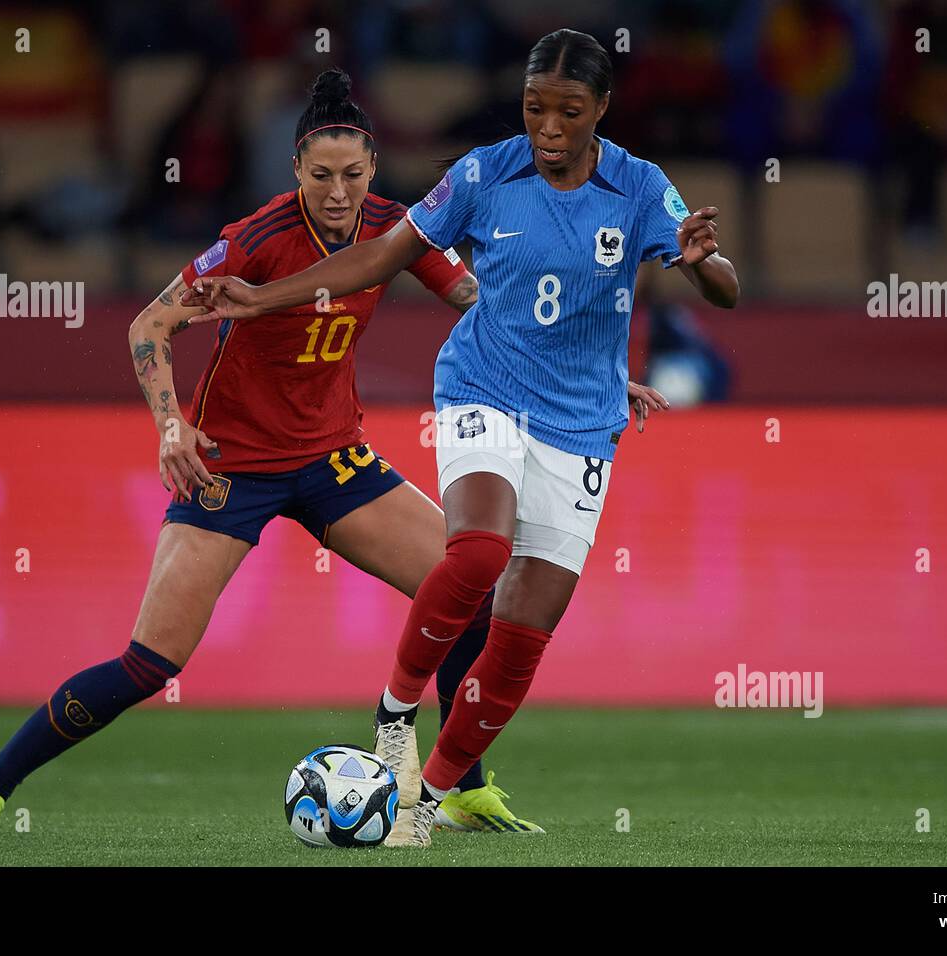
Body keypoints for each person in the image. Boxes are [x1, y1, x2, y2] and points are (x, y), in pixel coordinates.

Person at [0, 67, 562, 838]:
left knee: (473, 588)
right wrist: (173, 427)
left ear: (372, 170)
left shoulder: (398, 228)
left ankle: (462, 789)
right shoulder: (257, 239)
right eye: (321, 176)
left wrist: (578, 356)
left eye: (352, 175)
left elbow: (477, 301)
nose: (337, 193)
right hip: (230, 470)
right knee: (150, 663)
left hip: (334, 461)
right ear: (296, 171)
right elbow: (148, 325)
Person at [185, 30, 737, 848]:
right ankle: (395, 717)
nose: (548, 127)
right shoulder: (484, 172)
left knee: (520, 642)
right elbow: (380, 256)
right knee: (477, 554)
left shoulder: (639, 186)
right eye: (534, 107)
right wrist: (266, 301)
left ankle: (431, 796)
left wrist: (700, 264)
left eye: (569, 112)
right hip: (484, 387)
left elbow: (722, 289)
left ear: (602, 112)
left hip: (582, 423)